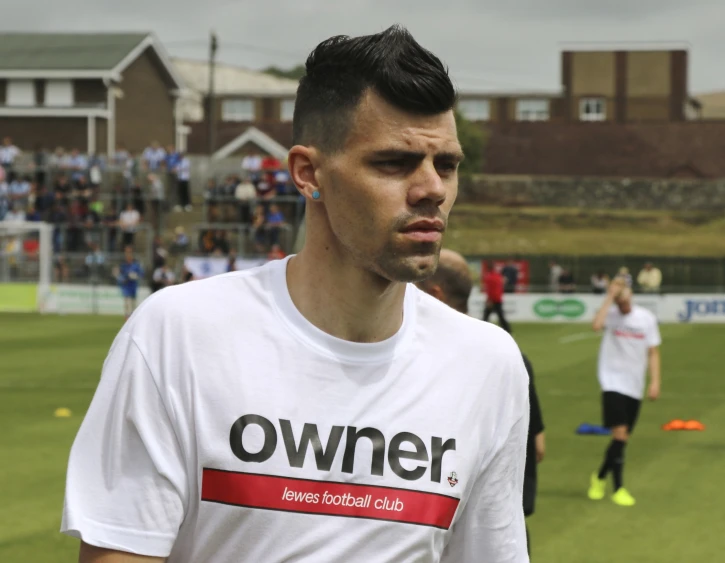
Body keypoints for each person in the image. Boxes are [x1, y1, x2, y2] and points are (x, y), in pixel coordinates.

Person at [61, 26, 530, 563]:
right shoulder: (179, 334)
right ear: (309, 173)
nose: (432, 189)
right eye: (393, 163)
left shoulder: (488, 364)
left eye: (445, 164)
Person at [418, 249, 544, 558]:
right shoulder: (507, 357)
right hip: (503, 527)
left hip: (444, 529)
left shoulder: (425, 360)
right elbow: (538, 446)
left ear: (435, 293)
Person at [588, 277, 661, 507]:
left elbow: (653, 352)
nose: (624, 307)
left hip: (634, 385)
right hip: (612, 382)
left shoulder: (646, 319)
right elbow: (596, 325)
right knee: (619, 435)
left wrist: (655, 381)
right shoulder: (610, 315)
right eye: (620, 303)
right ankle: (618, 488)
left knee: (622, 439)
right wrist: (609, 296)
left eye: (625, 302)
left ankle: (599, 477)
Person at [114, 246, 144, 320]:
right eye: (126, 252)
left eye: (129, 252)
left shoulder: (135, 265)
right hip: (126, 286)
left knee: (133, 304)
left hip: (133, 286)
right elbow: (119, 275)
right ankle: (127, 317)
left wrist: (135, 276)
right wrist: (122, 279)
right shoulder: (123, 265)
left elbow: (141, 274)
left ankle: (132, 318)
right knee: (127, 302)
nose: (128, 254)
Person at [483, 261, 512, 334]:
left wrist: (489, 300)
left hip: (493, 299)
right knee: (500, 316)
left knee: (486, 316)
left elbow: (490, 290)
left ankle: (482, 328)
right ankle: (507, 329)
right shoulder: (498, 276)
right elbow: (501, 285)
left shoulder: (489, 277)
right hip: (498, 298)